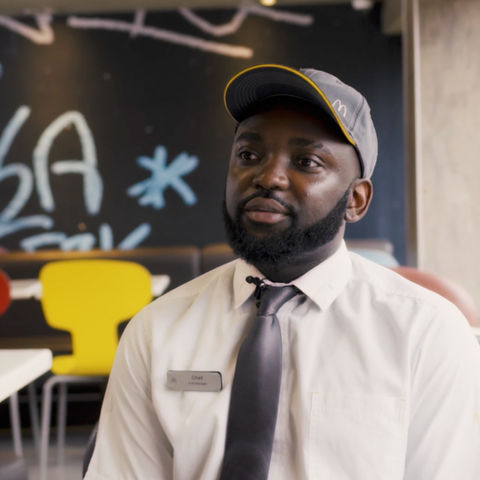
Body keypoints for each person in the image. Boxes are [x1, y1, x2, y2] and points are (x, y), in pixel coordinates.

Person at [84, 64, 480, 480]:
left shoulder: (427, 333)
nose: (267, 177)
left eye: (307, 161)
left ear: (356, 200)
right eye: (248, 155)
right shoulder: (156, 330)